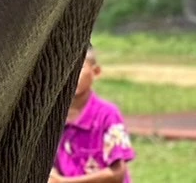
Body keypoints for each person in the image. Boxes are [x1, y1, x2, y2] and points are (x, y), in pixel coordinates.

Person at [50, 46, 136, 183]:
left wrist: (63, 182)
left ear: (96, 72)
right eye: (66, 68)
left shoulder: (107, 115)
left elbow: (118, 173)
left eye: (79, 68)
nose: (71, 74)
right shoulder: (51, 118)